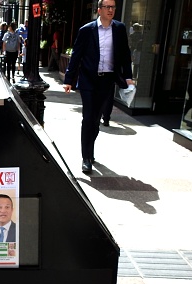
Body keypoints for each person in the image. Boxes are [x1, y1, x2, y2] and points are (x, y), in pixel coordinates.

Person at [63, 0, 133, 173]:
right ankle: (86, 158)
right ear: (99, 10)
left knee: (96, 120)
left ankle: (90, 148)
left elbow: (125, 54)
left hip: (107, 81)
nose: (111, 10)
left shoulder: (119, 28)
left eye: (113, 7)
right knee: (88, 118)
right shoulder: (87, 30)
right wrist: (69, 79)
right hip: (88, 80)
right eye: (107, 7)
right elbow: (76, 56)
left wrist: (128, 77)